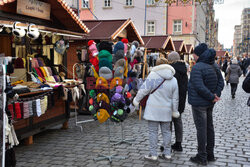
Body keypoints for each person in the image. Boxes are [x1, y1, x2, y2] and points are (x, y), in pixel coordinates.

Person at [133, 57, 179, 161]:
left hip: (153, 109)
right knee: (167, 132)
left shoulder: (153, 76)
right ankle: (167, 153)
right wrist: (174, 111)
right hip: (166, 110)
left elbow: (143, 90)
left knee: (153, 132)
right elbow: (175, 98)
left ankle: (153, 154)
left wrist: (136, 100)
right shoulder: (173, 79)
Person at [188, 43, 224, 165]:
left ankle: (202, 156)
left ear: (198, 55)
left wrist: (212, 96)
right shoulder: (214, 65)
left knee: (202, 130)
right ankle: (210, 154)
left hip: (200, 103)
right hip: (209, 102)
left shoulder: (198, 67)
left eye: (194, 54)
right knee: (209, 128)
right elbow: (221, 82)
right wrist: (215, 95)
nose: (193, 56)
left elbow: (199, 86)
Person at [166, 51, 188, 152]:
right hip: (181, 98)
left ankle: (167, 143)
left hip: (171, 98)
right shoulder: (183, 69)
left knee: (168, 122)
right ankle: (178, 143)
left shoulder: (172, 70)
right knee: (178, 121)